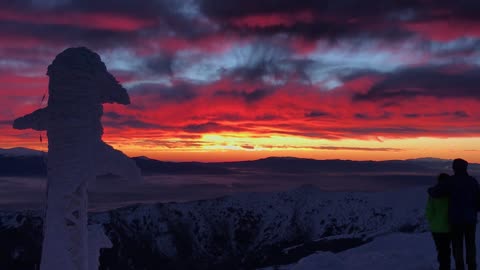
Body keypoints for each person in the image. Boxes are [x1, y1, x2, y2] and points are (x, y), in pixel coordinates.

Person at [429, 158, 480, 270]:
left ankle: (460, 267)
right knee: (471, 244)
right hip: (470, 219)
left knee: (458, 246)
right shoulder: (473, 181)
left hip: (456, 220)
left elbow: (436, 192)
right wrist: (473, 211)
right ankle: (472, 267)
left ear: (454, 168)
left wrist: (430, 190)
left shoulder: (452, 181)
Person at [426, 173, 452, 270]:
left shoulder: (433, 194)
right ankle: (446, 267)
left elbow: (429, 211)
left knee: (441, 250)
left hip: (436, 228)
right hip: (450, 226)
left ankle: (443, 267)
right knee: (447, 250)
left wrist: (433, 221)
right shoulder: (452, 193)